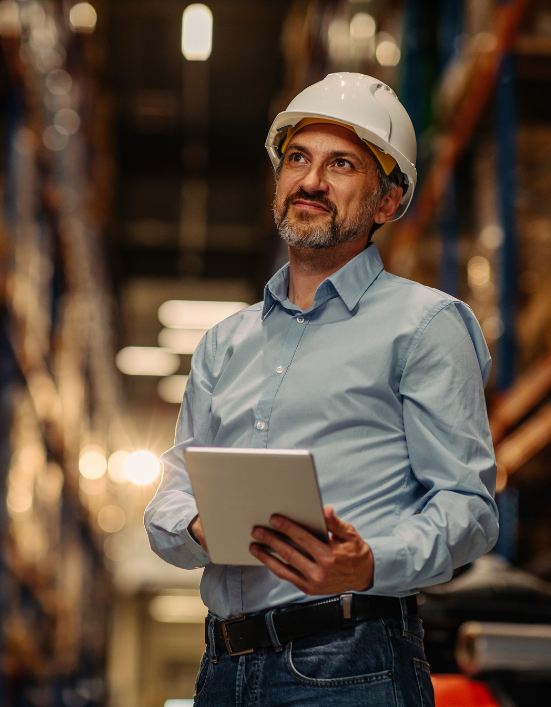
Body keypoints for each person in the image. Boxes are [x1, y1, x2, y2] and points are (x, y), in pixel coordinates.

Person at [144, 72, 499, 706]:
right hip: (223, 668)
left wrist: (370, 563)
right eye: (297, 160)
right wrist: (200, 525)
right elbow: (172, 491)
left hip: (350, 664)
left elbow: (468, 508)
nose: (310, 181)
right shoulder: (225, 343)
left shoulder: (424, 325)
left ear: (387, 202)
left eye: (341, 164)